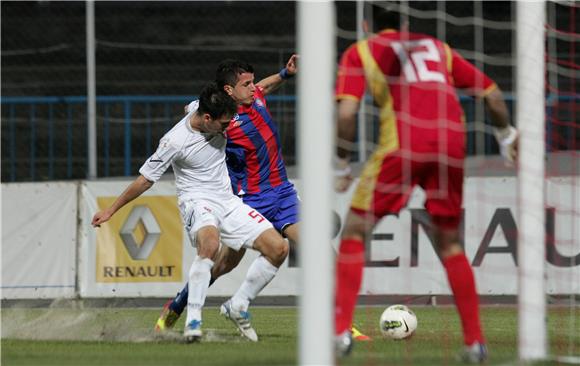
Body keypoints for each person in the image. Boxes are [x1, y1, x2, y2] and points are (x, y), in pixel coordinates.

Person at [332, 2, 516, 363]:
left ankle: (339, 334)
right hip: (452, 146)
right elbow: (492, 94)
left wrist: (341, 162)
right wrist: (507, 136)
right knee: (449, 244)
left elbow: (347, 112)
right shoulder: (437, 47)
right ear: (402, 22)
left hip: (403, 146)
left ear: (367, 22)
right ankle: (475, 343)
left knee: (354, 232)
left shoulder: (362, 51)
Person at [154, 57, 370, 341]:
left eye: (253, 82)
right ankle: (177, 308)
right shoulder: (221, 119)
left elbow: (264, 88)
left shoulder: (255, 98)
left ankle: (341, 325)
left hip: (282, 193)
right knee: (221, 266)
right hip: (246, 200)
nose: (254, 88)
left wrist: (284, 74)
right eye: (247, 84)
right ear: (229, 91)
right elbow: (194, 119)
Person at [92, 82, 289, 343]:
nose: (228, 128)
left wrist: (284, 75)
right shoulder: (174, 141)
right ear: (207, 119)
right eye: (223, 124)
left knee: (279, 248)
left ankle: (238, 305)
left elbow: (245, 92)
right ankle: (193, 320)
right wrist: (111, 210)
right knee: (210, 244)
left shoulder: (203, 107)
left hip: (228, 201)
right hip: (197, 201)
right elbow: (145, 180)